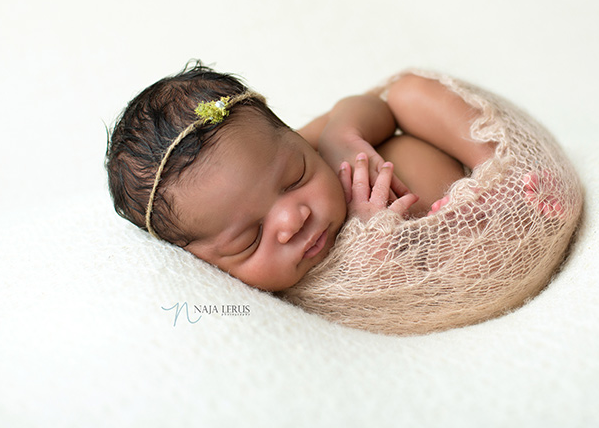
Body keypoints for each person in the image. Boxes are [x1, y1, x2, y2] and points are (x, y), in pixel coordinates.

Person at [106, 62, 565, 293]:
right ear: (200, 262)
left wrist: (344, 135)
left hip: (474, 182)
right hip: (453, 254)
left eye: (294, 177)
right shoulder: (275, 288)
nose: (292, 218)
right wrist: (373, 244)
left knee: (408, 91)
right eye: (248, 239)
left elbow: (373, 104)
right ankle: (492, 221)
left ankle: (507, 170)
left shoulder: (283, 148)